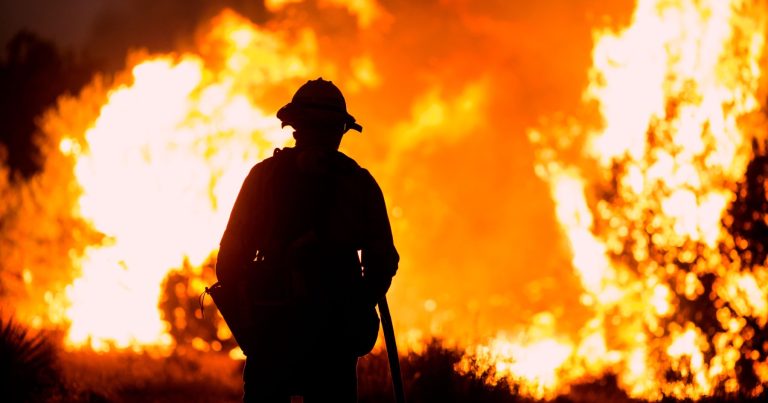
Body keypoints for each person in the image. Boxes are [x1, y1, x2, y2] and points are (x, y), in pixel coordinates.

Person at [215, 78, 399, 402]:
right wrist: (354, 306)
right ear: (342, 131)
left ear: (293, 126)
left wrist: (252, 313)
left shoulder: (263, 179)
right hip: (333, 343)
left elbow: (229, 262)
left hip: (272, 334)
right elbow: (382, 262)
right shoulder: (360, 185)